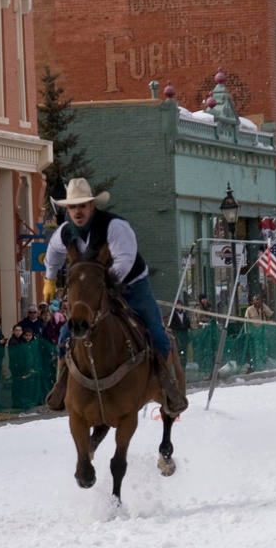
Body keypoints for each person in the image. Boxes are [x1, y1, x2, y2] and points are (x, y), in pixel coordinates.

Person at [42, 178, 188, 415]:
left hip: (132, 285)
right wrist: (49, 278)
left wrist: (103, 284)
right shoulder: (64, 233)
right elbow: (54, 253)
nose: (77, 212)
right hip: (92, 292)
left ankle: (165, 386)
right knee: (65, 335)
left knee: (156, 332)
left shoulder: (115, 226)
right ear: (67, 210)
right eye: (72, 207)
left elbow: (125, 260)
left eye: (82, 206)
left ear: (92, 206)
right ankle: (62, 386)